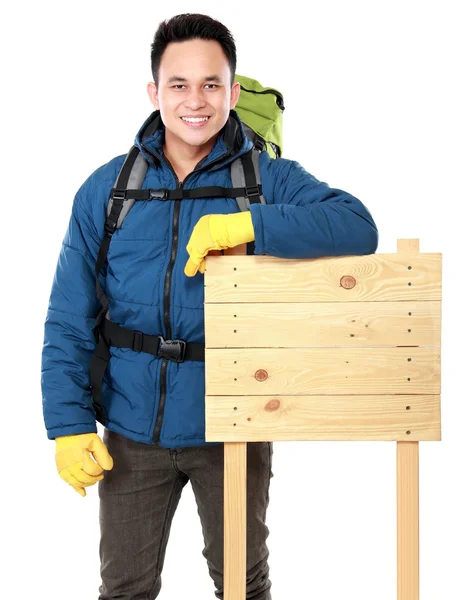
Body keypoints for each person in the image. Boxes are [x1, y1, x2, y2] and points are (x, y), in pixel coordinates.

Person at [41, 12, 379, 600]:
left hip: (235, 424)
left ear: (233, 91)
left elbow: (357, 226)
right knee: (124, 588)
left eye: (211, 84)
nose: (195, 101)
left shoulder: (267, 179)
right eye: (179, 85)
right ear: (154, 92)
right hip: (129, 427)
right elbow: (69, 317)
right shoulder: (109, 189)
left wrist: (251, 225)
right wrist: (67, 426)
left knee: (241, 586)